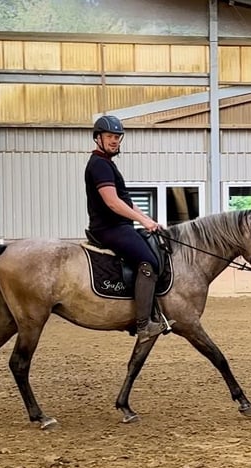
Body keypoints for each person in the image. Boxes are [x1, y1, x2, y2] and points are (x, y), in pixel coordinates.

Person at [84, 115, 169, 343]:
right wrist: (142, 222)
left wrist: (148, 219)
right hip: (109, 228)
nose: (114, 141)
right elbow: (112, 202)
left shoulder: (108, 164)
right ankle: (143, 325)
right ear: (98, 138)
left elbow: (126, 201)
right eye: (110, 137)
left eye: (117, 137)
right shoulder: (99, 165)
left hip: (119, 225)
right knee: (147, 262)